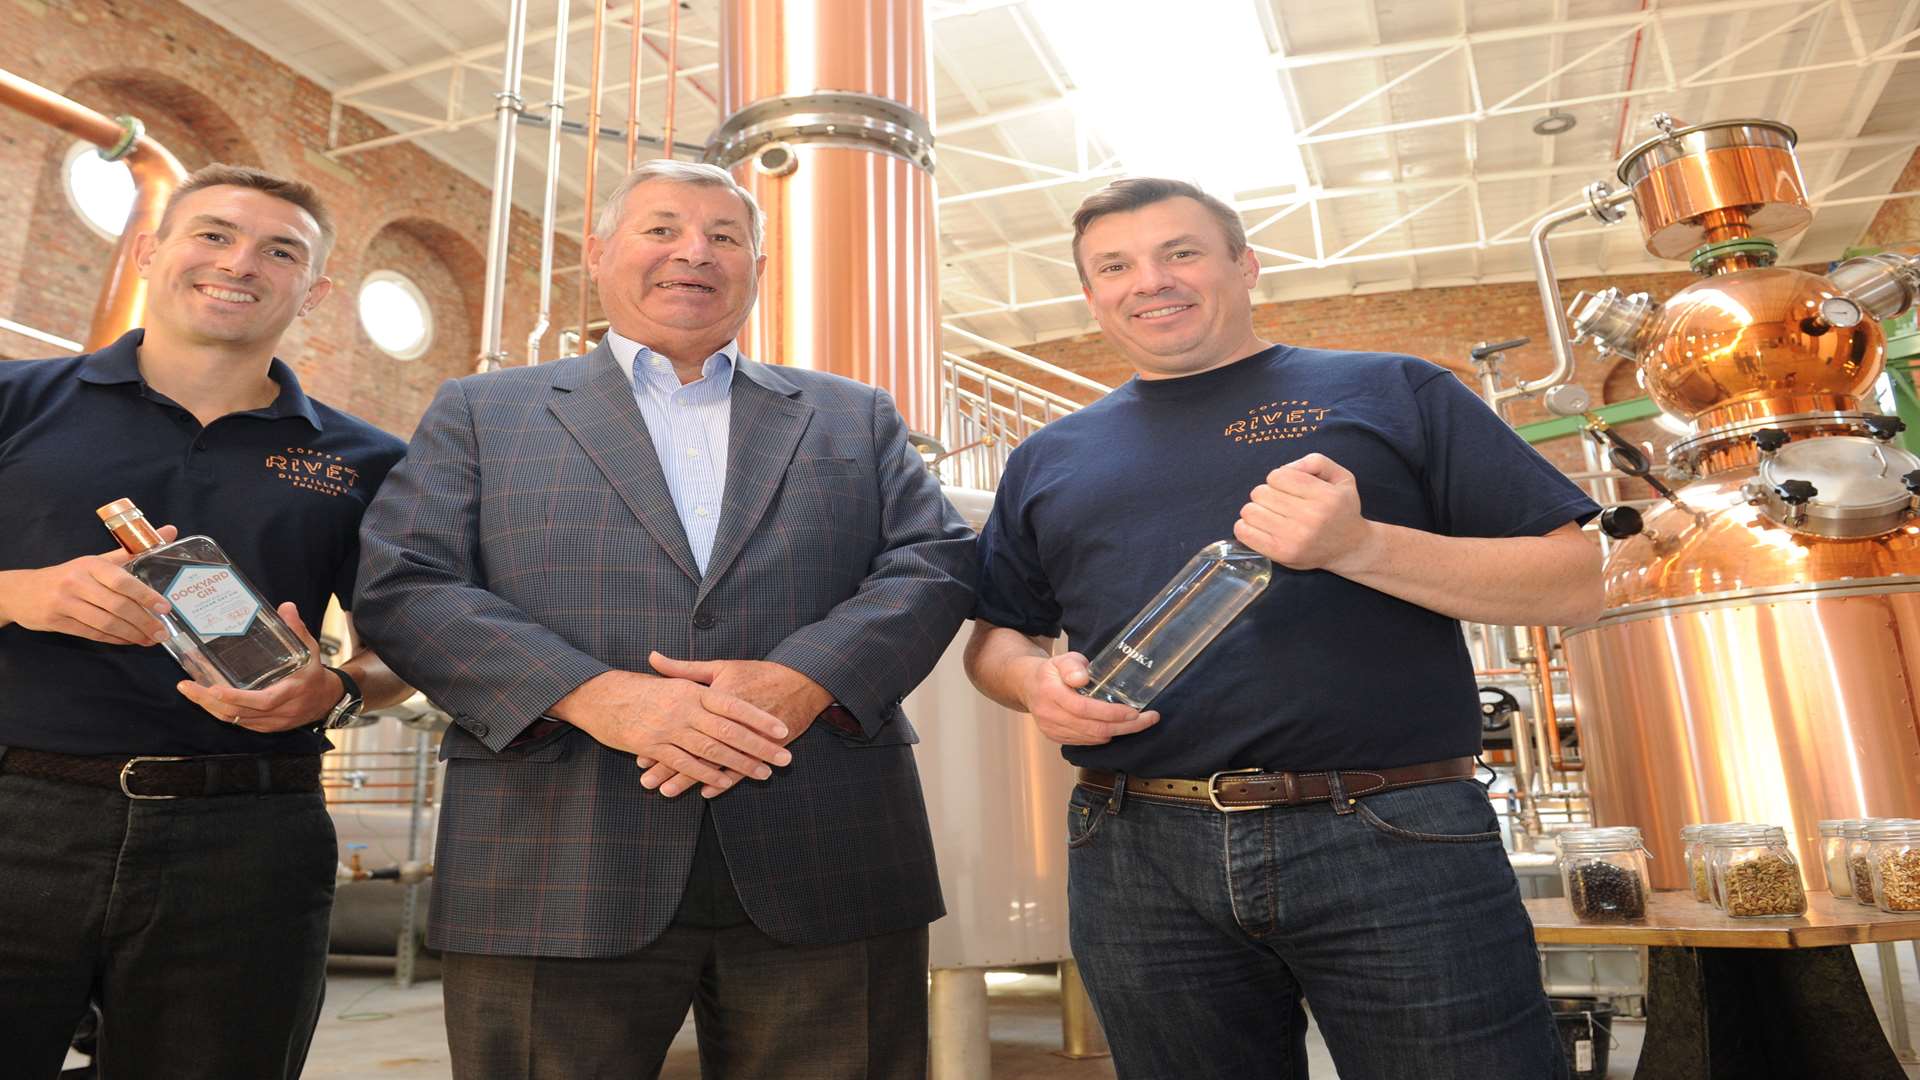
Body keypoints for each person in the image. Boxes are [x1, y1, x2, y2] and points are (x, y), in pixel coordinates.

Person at [963, 177, 1602, 1080]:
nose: (1152, 281)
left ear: (1245, 265)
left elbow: (1574, 581)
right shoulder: (1047, 456)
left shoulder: (1392, 389)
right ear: (1092, 295)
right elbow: (995, 638)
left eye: (1181, 252)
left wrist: (1360, 543)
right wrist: (1032, 684)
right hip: (1137, 849)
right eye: (1117, 266)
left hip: (1392, 832)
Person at [354, 159, 976, 1080]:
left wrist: (803, 683)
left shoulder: (854, 415)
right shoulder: (483, 412)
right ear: (599, 253)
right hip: (555, 851)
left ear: (757, 268)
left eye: (725, 237)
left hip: (825, 844)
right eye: (662, 228)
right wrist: (597, 696)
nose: (695, 252)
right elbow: (406, 582)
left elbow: (934, 561)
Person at [0, 164, 411, 1078]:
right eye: (214, 234)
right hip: (15, 810)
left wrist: (335, 689)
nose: (240, 264)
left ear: (317, 289)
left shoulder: (367, 460)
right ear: (151, 250)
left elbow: (405, 649)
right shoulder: (14, 400)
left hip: (249, 837)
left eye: (280, 251)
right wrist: (17, 593)